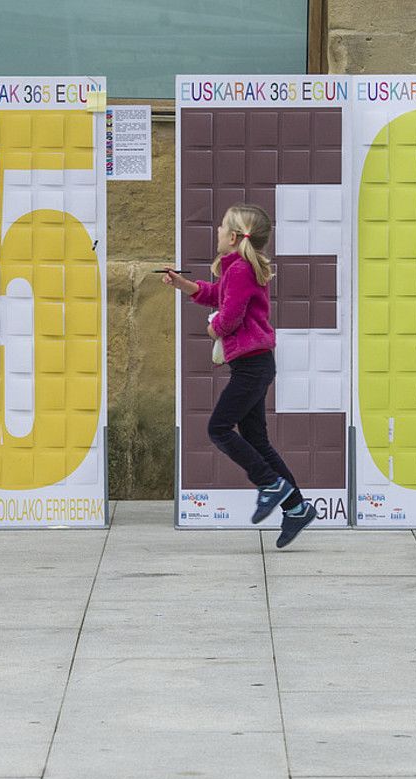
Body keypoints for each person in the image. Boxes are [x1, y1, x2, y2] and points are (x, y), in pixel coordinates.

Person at [163, 203, 317, 548]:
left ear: (232, 237)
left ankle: (271, 484)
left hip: (251, 368)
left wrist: (213, 329)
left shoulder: (240, 271)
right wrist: (183, 284)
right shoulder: (238, 269)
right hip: (256, 365)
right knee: (257, 440)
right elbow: (216, 295)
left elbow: (229, 317)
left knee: (218, 428)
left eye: (220, 228)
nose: (216, 231)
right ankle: (296, 508)